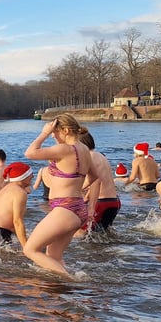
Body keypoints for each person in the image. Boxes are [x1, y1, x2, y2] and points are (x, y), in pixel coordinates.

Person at [23, 115, 99, 277]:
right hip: (78, 208)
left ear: (65, 130)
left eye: (54, 132)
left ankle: (71, 280)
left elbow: (29, 153)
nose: (52, 135)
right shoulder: (84, 149)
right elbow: (94, 176)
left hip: (65, 209)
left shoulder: (65, 149)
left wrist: (43, 133)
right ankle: (59, 296)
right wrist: (77, 187)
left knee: (30, 249)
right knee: (54, 257)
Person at [0, 162, 32, 248]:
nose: (32, 177)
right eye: (31, 175)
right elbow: (17, 221)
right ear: (23, 177)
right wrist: (26, 247)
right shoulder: (20, 192)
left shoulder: (6, 188)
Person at [78, 132, 121, 233]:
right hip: (114, 201)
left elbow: (95, 182)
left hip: (102, 202)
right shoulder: (100, 156)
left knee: (80, 232)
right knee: (102, 232)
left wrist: (76, 189)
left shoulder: (89, 158)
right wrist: (87, 197)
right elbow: (99, 179)